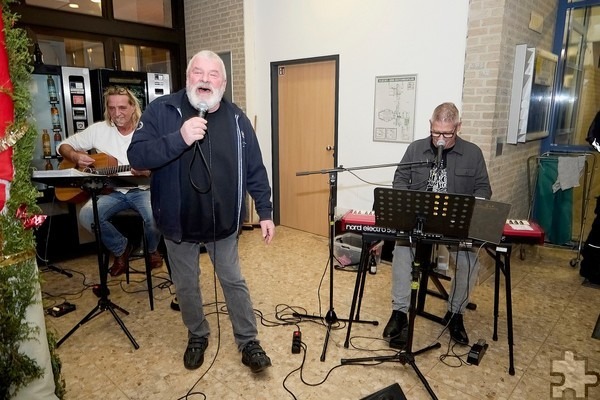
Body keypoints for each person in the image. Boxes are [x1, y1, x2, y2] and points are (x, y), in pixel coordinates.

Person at [127, 50, 275, 373]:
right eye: (198, 72)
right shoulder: (161, 111)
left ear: (223, 82)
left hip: (223, 224)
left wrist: (265, 211)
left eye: (213, 75)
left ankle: (248, 340)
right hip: (178, 225)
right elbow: (136, 155)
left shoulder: (238, 120)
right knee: (186, 285)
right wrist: (178, 138)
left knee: (233, 281)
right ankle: (197, 334)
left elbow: (255, 169)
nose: (205, 80)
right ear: (187, 76)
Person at [383, 102, 492, 349]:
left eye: (447, 133)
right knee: (401, 251)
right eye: (436, 132)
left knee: (469, 262)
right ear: (430, 125)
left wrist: (476, 203)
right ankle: (400, 312)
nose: (440, 139)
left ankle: (455, 313)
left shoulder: (473, 153)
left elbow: (484, 187)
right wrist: (406, 201)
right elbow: (400, 179)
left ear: (458, 128)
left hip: (454, 225)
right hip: (420, 221)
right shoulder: (415, 149)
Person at [58, 86, 163, 277]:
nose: (117, 113)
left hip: (143, 189)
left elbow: (165, 159)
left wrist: (151, 169)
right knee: (87, 216)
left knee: (154, 217)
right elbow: (62, 146)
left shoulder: (148, 130)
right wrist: (74, 156)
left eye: (122, 107)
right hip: (110, 191)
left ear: (133, 107)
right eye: (112, 108)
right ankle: (121, 248)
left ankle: (151, 249)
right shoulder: (99, 130)